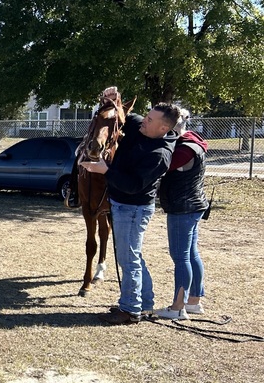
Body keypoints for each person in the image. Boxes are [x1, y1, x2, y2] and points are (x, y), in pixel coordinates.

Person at [81, 101, 179, 324]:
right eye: (147, 116)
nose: (144, 120)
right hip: (122, 205)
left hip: (133, 209)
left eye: (150, 120)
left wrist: (105, 171)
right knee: (132, 256)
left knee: (128, 259)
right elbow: (122, 115)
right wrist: (112, 97)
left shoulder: (159, 154)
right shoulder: (140, 126)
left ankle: (130, 309)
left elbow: (133, 185)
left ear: (163, 128)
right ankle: (144, 302)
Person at [154, 109, 209, 320]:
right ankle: (194, 301)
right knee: (191, 253)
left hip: (183, 207)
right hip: (191, 206)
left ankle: (178, 306)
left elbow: (161, 167)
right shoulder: (191, 142)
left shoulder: (184, 149)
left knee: (181, 256)